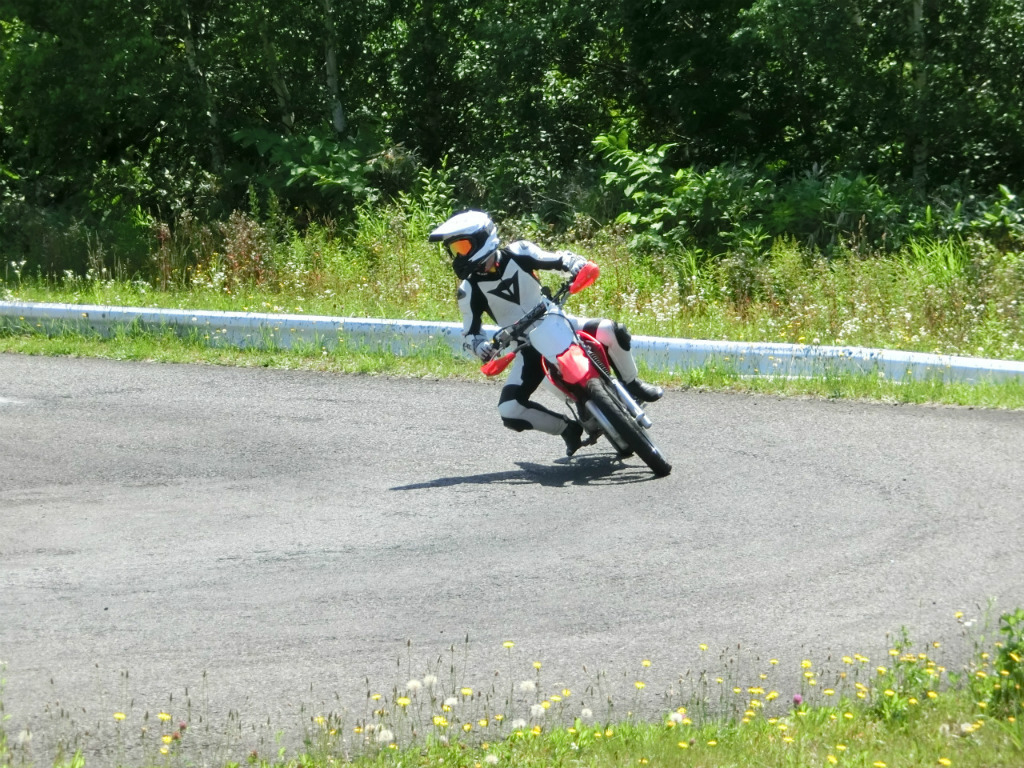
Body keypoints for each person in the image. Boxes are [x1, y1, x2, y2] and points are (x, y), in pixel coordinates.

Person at [428, 209, 663, 456]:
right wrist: (480, 346)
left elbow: (557, 259)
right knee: (509, 409)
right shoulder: (468, 291)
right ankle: (567, 429)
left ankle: (632, 383)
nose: (459, 256)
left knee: (613, 330)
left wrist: (574, 263)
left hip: (556, 321)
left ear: (483, 238)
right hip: (524, 347)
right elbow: (470, 333)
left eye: (462, 247)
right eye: (455, 250)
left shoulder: (519, 251)